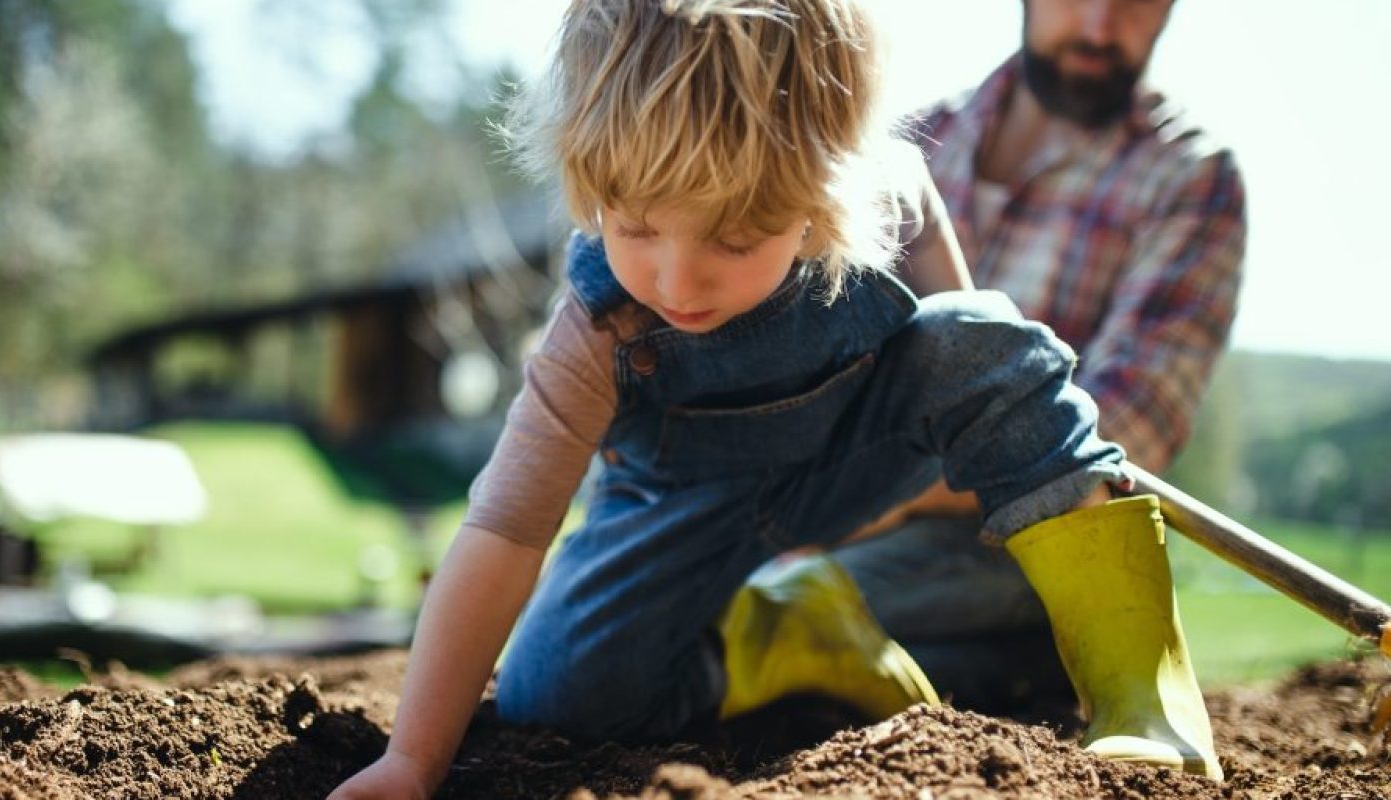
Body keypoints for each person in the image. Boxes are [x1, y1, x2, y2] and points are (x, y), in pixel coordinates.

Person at [329, 1, 1221, 796]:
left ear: (825, 194)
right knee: (554, 693)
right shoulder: (601, 330)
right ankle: (785, 634)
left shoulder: (891, 199)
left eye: (736, 235)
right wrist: (412, 762)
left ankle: (1144, 707)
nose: (677, 279)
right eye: (635, 225)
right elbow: (505, 530)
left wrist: (1013, 435)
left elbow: (959, 345)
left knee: (984, 337)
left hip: (856, 457)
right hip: (680, 505)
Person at [821, 0, 1247, 712]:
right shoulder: (908, 144)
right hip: (838, 513)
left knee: (753, 616)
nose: (1098, 27)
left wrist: (871, 503)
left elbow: (1125, 431)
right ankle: (998, 675)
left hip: (1033, 532)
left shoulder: (1190, 178)